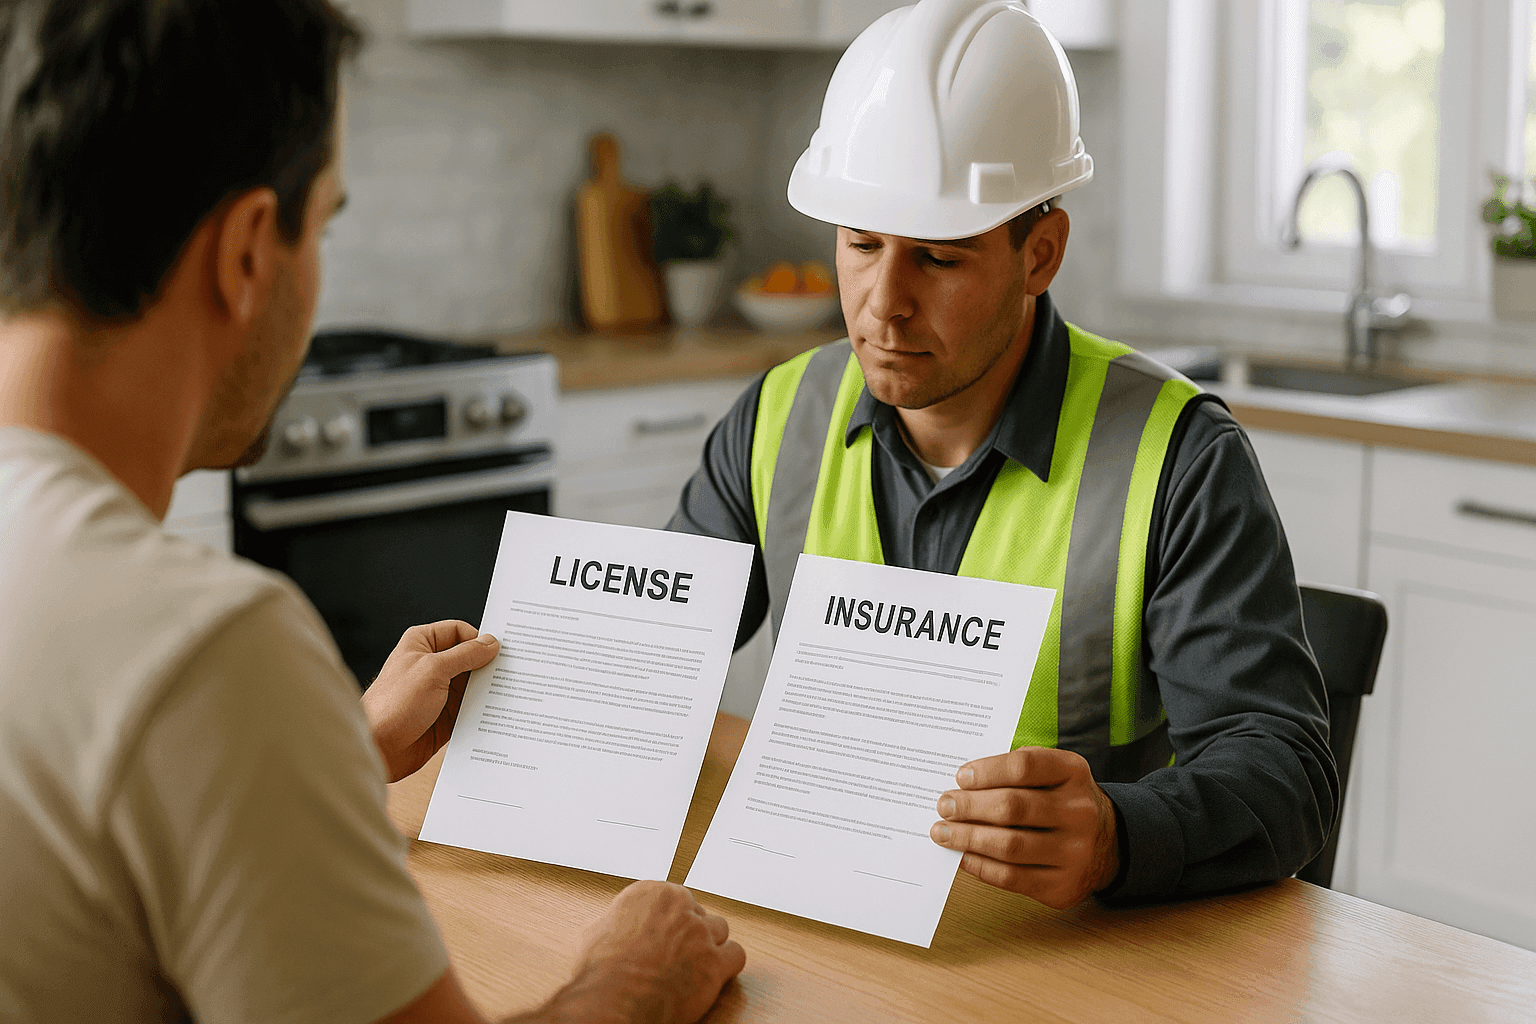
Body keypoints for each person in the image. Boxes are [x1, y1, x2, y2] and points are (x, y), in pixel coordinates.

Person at [0, 2, 743, 1022]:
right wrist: (632, 979)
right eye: (324, 227)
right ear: (248, 252)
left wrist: (326, 754)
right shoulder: (202, 647)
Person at [670, 0, 1338, 909]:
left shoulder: (1178, 459)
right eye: (861, 245)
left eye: (939, 259)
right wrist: (513, 669)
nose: (883, 303)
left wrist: (1118, 835)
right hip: (828, 914)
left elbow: (1287, 774)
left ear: (1040, 255)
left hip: (1061, 949)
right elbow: (647, 656)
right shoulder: (777, 418)